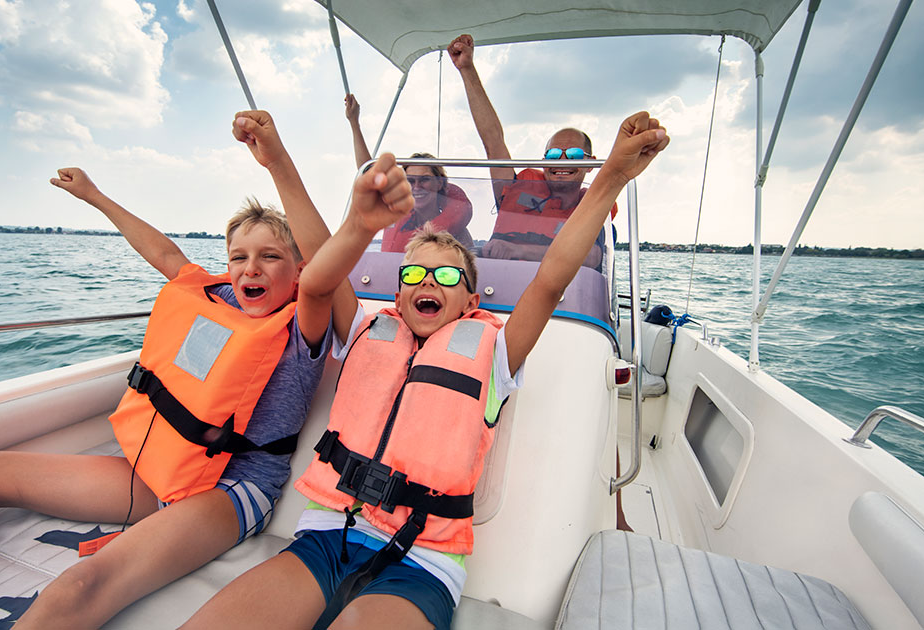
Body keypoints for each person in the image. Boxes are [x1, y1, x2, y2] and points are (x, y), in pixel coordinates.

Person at [182, 109, 668, 630]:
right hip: (325, 537)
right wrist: (277, 161)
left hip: (423, 561)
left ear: (469, 300)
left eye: (446, 275)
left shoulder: (497, 352)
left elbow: (551, 279)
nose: (427, 283)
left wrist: (612, 175)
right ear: (396, 292)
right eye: (413, 272)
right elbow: (322, 256)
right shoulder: (365, 330)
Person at [0, 170, 334, 628]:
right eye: (238, 257)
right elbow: (165, 255)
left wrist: (273, 161)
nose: (250, 268)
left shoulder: (303, 328)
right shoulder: (219, 299)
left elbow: (324, 271)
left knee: (78, 586)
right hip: (165, 470)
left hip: (232, 490)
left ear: (299, 270)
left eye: (270, 256)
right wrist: (93, 196)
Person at [448, 33, 616, 268]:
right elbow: (493, 140)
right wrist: (467, 69)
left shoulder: (593, 208)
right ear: (544, 161)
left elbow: (592, 258)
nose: (562, 162)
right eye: (554, 155)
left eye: (575, 155)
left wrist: (518, 250)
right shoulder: (514, 189)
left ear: (590, 164)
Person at [345, 93, 475, 251]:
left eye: (425, 179)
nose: (417, 186)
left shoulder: (457, 232)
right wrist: (354, 123)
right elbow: (367, 173)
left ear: (439, 183)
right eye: (410, 181)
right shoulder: (396, 214)